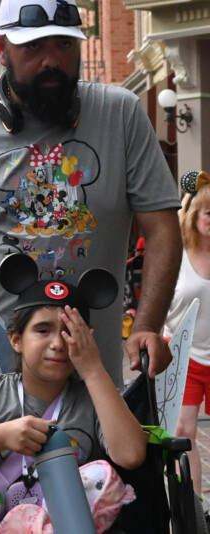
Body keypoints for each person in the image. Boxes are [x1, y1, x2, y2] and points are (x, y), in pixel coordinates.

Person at [0, 0, 182, 393]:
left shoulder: (122, 114)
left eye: (64, 46)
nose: (52, 60)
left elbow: (163, 227)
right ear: (1, 49)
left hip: (91, 370)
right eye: (34, 47)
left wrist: (148, 325)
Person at [0, 255, 147, 522]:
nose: (58, 344)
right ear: (16, 340)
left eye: (69, 332)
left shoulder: (94, 398)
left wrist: (92, 369)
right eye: (43, 330)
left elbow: (131, 455)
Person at [165, 170, 210, 495]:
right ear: (194, 215)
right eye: (209, 213)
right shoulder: (176, 254)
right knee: (184, 432)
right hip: (185, 356)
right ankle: (192, 508)